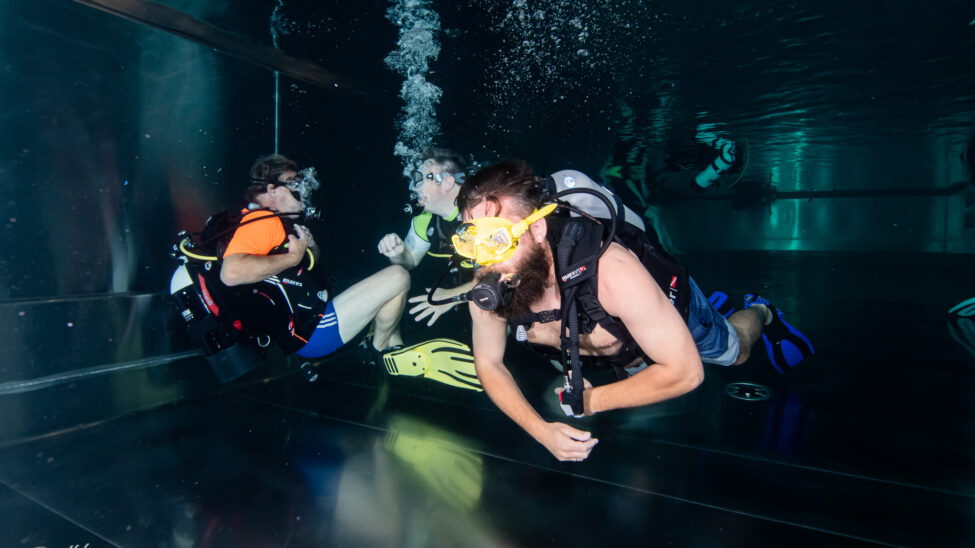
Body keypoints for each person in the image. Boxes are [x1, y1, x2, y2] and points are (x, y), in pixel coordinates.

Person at [454, 159, 814, 462]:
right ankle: (711, 310)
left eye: (498, 239)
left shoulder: (611, 272)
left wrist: (592, 400)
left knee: (736, 352)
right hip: (625, 347)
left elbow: (686, 373)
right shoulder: (490, 284)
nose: (487, 259)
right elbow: (489, 363)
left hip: (669, 307)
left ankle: (761, 310)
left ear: (536, 229)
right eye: (473, 241)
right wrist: (541, 431)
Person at [219, 154, 411, 359]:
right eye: (294, 182)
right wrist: (293, 257)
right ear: (272, 190)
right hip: (313, 331)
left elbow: (298, 271)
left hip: (307, 323)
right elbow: (231, 273)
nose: (303, 189)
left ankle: (395, 350)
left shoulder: (267, 221)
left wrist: (309, 250)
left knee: (387, 294)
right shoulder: (264, 220)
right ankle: (376, 353)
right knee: (398, 276)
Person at [376, 148, 474, 326]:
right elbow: (410, 261)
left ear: (447, 183)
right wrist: (397, 253)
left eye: (421, 179)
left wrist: (452, 296)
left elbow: (509, 273)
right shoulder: (424, 220)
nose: (413, 187)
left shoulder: (483, 211)